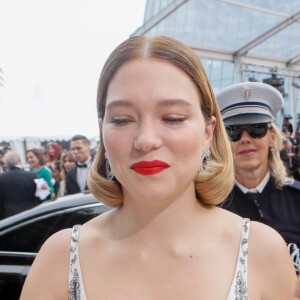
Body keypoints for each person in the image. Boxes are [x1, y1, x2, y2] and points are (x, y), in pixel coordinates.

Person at [20, 36, 296, 300]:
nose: (146, 140)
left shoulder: (263, 251)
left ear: (208, 132)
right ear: (102, 131)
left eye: (173, 118)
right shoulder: (60, 260)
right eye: (122, 120)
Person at [216, 81, 300, 274]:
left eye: (256, 129)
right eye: (233, 132)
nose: (246, 138)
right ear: (223, 143)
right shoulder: (210, 204)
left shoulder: (296, 200)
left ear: (271, 137)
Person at [0, 151, 37, 219]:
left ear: (6, 163)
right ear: (18, 160)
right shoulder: (32, 175)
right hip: (30, 214)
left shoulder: (1, 178)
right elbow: (37, 196)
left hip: (9, 217)